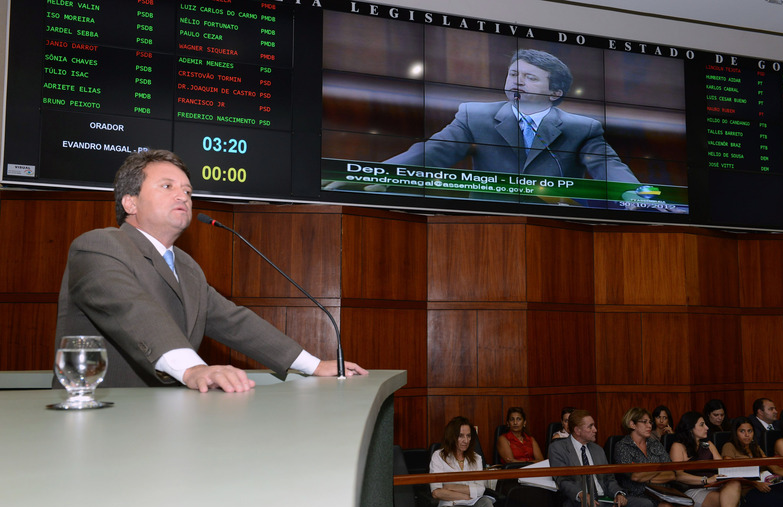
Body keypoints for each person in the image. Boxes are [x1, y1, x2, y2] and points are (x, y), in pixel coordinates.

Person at [55, 150, 367, 391]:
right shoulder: (99, 246)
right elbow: (134, 310)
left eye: (188, 191)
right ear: (130, 203)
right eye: (167, 186)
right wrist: (194, 369)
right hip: (103, 417)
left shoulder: (186, 266)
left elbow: (235, 322)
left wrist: (313, 366)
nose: (183, 196)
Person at [384, 49, 639, 183]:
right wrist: (381, 174)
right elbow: (432, 153)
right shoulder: (476, 115)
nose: (518, 81)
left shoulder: (582, 127)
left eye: (530, 78)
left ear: (555, 92)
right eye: (514, 74)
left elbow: (610, 168)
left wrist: (638, 195)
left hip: (559, 225)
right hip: (485, 224)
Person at [549, 408, 654, 507]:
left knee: (645, 505)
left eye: (594, 425)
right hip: (578, 501)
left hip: (605, 499)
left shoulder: (597, 449)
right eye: (590, 426)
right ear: (577, 430)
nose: (595, 430)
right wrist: (581, 494)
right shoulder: (558, 448)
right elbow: (562, 480)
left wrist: (618, 493)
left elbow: (609, 478)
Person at [613, 407, 691, 507]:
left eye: (650, 422)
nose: (649, 426)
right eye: (644, 422)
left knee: (687, 506)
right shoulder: (622, 446)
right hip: (638, 495)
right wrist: (660, 468)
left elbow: (672, 473)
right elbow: (635, 476)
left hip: (663, 492)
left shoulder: (655, 443)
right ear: (632, 424)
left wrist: (648, 476)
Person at [721, 417, 783, 507]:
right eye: (742, 431)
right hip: (748, 491)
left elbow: (774, 468)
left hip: (768, 485)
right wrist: (755, 484)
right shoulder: (729, 446)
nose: (747, 435)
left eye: (750, 431)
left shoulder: (755, 447)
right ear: (735, 433)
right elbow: (729, 472)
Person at [668, 411, 740, 507]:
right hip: (695, 490)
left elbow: (722, 467)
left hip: (716, 486)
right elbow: (678, 475)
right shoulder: (678, 446)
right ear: (690, 428)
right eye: (702, 425)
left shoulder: (708, 444)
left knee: (735, 484)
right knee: (730, 504)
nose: (707, 427)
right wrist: (706, 480)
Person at [429, 416, 496, 507]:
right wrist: (466, 496)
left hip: (472, 506)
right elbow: (437, 492)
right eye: (461, 436)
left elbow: (480, 490)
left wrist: (450, 487)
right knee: (485, 502)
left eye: (468, 436)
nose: (466, 440)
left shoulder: (476, 458)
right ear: (452, 436)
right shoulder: (438, 456)